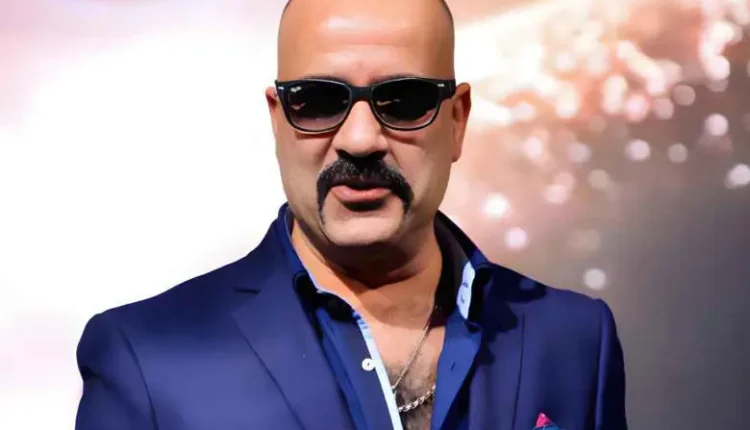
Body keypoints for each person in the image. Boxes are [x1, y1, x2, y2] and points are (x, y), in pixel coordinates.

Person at [74, 0, 627, 429]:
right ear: (277, 121)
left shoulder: (575, 338)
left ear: (457, 120)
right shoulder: (145, 357)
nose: (360, 140)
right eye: (317, 101)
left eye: (404, 100)